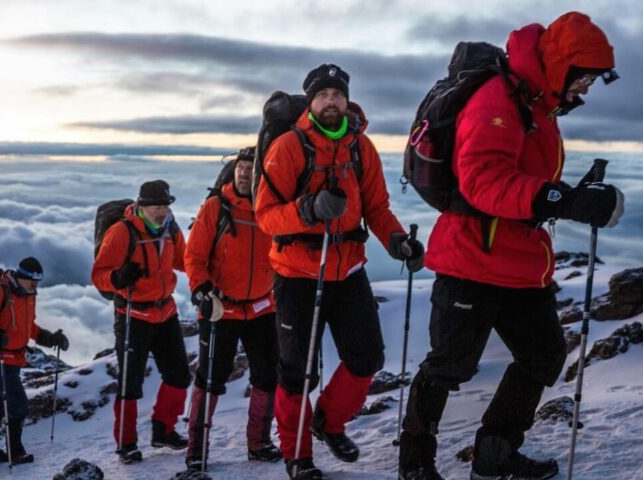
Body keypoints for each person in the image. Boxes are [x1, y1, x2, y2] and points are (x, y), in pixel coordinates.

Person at [399, 12, 625, 480]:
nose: (585, 89)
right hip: (471, 258)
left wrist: (572, 197)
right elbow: (483, 181)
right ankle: (415, 462)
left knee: (543, 355)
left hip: (520, 261)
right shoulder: (497, 98)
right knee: (449, 366)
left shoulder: (537, 104)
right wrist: (563, 199)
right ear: (561, 65)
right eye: (582, 78)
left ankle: (495, 453)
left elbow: (524, 178)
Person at [255, 63, 424, 480]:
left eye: (338, 94)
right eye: (323, 94)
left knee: (367, 358)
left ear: (347, 100)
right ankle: (299, 455)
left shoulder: (360, 148)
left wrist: (398, 241)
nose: (332, 100)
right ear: (311, 102)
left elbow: (377, 208)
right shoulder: (290, 147)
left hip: (348, 270)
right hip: (296, 273)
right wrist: (309, 210)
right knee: (297, 373)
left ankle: (328, 422)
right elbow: (266, 216)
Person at [183, 147, 282, 470]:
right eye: (240, 167)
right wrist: (200, 289)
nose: (243, 173)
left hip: (261, 308)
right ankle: (196, 449)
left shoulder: (270, 210)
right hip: (220, 307)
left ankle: (259, 442)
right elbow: (194, 256)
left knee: (268, 376)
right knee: (211, 377)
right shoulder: (216, 207)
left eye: (250, 169)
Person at [91, 179, 192, 464]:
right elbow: (98, 273)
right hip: (132, 315)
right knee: (130, 383)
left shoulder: (170, 230)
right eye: (156, 206)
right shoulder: (122, 232)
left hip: (165, 311)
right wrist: (117, 278)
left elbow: (185, 260)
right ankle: (127, 444)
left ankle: (163, 430)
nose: (161, 211)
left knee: (179, 376)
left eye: (164, 205)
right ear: (142, 206)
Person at [0, 256, 70, 467]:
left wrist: (49, 338)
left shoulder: (28, 295)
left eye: (38, 282)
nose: (35, 285)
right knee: (18, 402)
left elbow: (27, 325)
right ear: (21, 276)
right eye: (32, 280)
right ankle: (15, 451)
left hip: (16, 356)